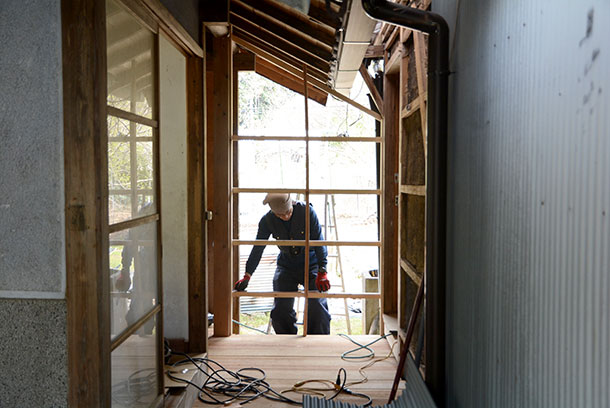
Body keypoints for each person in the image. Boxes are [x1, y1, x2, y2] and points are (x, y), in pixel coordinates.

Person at [234, 193, 332, 334]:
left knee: (317, 304)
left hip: (312, 263)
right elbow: (258, 248)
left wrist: (322, 270)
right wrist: (247, 274)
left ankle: (316, 341)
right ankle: (287, 341)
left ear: (291, 204)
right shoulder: (267, 220)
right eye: (280, 215)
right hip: (287, 265)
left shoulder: (307, 212)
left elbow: (319, 242)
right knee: (280, 309)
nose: (285, 217)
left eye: (287, 212)